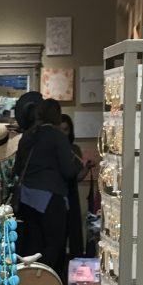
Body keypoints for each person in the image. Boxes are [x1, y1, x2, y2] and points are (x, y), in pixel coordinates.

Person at [13, 97, 77, 276]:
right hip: (51, 198)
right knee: (53, 246)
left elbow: (17, 168)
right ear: (57, 116)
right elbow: (68, 171)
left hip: (27, 199)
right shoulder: (58, 137)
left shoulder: (27, 136)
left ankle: (27, 281)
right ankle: (46, 283)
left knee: (32, 245)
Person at [56, 111, 91, 263]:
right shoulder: (53, 148)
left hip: (71, 192)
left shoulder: (74, 149)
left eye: (66, 129)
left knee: (75, 231)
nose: (63, 133)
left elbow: (77, 177)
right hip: (58, 194)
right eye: (60, 130)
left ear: (70, 131)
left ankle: (77, 267)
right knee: (58, 234)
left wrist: (87, 168)